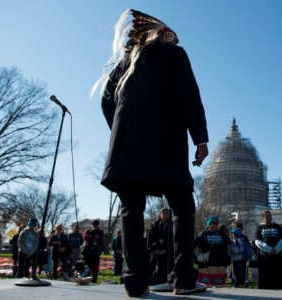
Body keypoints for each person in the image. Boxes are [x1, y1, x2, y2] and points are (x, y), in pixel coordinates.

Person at [96, 8, 209, 297]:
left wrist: (121, 133)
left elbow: (106, 103)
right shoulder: (174, 55)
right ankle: (183, 280)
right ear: (160, 33)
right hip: (163, 145)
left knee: (130, 209)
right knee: (182, 205)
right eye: (171, 32)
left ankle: (134, 282)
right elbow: (189, 96)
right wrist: (200, 138)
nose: (174, 37)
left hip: (127, 149)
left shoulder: (125, 63)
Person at [195, 216, 231, 287]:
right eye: (212, 223)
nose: (214, 225)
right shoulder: (203, 234)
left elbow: (228, 246)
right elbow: (197, 247)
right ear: (208, 224)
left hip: (221, 261)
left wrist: (229, 257)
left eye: (216, 223)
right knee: (206, 285)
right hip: (207, 262)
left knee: (220, 285)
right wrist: (196, 257)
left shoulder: (222, 234)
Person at [254, 210, 282, 289]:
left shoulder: (278, 227)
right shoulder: (259, 227)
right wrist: (269, 249)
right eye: (266, 216)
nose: (268, 217)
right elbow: (257, 241)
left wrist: (276, 249)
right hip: (264, 257)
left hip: (276, 257)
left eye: (269, 215)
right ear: (263, 218)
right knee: (264, 279)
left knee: (276, 279)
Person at [147, 208, 173, 285]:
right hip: (155, 250)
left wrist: (166, 249)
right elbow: (151, 238)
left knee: (165, 268)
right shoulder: (155, 225)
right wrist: (155, 249)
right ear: (160, 214)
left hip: (166, 251)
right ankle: (153, 281)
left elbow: (171, 239)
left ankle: (164, 282)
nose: (165, 214)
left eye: (166, 213)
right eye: (163, 213)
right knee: (154, 266)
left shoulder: (170, 225)